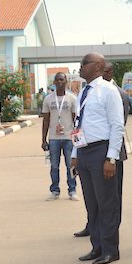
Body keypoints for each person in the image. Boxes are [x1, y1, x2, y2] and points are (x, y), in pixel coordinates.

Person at [70, 53, 124, 264]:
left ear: (98, 66)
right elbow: (79, 124)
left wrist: (111, 158)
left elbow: (117, 125)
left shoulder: (108, 91)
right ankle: (97, 247)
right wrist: (75, 155)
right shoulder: (84, 91)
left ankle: (111, 250)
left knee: (107, 204)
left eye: (84, 64)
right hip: (84, 152)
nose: (80, 67)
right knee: (92, 204)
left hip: (102, 151)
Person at [42, 72, 78, 201]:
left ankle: (72, 190)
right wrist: (43, 140)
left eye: (62, 80)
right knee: (54, 166)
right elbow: (45, 120)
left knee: (71, 165)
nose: (59, 82)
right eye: (57, 80)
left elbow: (76, 121)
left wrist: (77, 140)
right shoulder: (48, 99)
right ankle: (55, 190)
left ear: (66, 81)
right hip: (53, 139)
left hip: (69, 138)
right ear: (54, 82)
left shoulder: (72, 98)